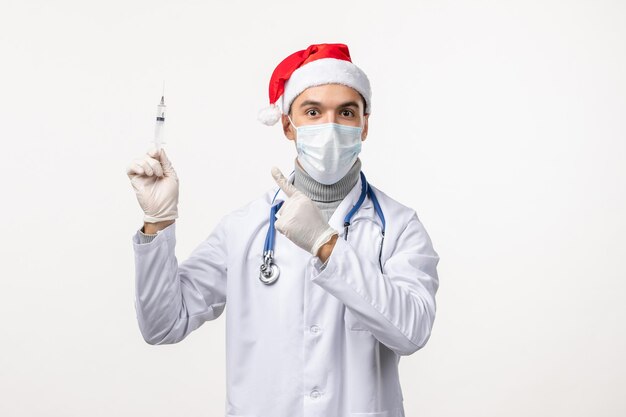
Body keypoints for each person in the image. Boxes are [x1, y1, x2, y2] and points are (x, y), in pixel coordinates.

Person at [126, 42, 440, 417]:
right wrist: (158, 222)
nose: (331, 125)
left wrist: (327, 245)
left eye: (346, 112)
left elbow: (412, 332)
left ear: (364, 125)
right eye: (313, 111)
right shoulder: (244, 227)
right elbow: (163, 324)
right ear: (289, 126)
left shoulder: (400, 227)